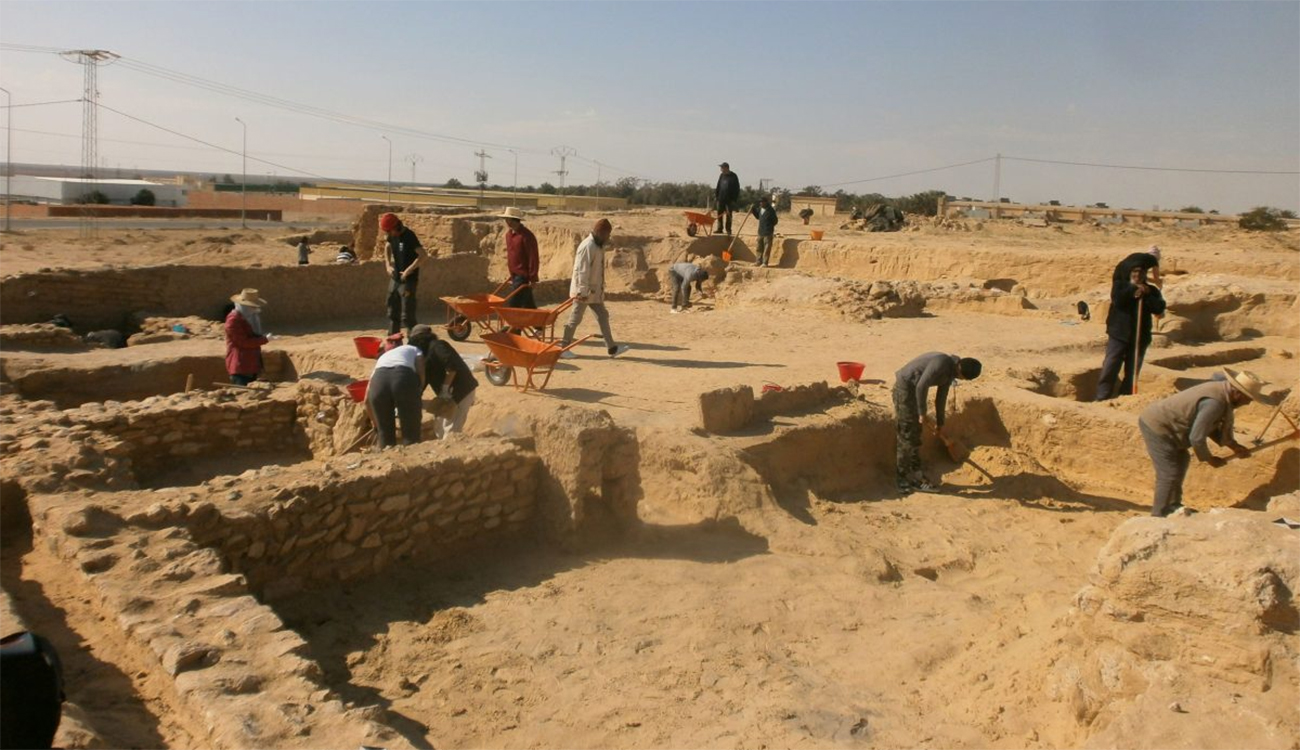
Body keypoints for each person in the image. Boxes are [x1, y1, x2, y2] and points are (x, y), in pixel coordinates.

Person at [1138, 368, 1266, 517]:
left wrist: (1234, 447)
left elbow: (1210, 426)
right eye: (1248, 398)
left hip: (1173, 427)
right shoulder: (1215, 403)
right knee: (1169, 473)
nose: (1248, 403)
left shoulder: (1222, 392)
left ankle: (1173, 505)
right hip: (1158, 426)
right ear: (1237, 392)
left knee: (1182, 460)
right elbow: (1197, 438)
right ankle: (1158, 515)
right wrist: (1209, 459)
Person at [893, 352, 983, 494]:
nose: (961, 379)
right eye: (963, 378)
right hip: (905, 387)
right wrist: (922, 412)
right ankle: (902, 478)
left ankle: (916, 472)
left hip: (915, 389)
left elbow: (941, 397)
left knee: (916, 433)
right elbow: (921, 386)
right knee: (908, 433)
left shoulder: (950, 372)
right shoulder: (942, 363)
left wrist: (940, 422)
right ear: (961, 372)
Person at [559, 218, 630, 359]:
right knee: (575, 318)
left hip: (594, 292)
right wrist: (582, 291)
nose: (607, 238)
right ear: (599, 232)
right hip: (583, 292)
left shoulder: (597, 246)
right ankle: (563, 347)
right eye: (606, 235)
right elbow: (581, 271)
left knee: (603, 316)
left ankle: (612, 348)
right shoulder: (588, 246)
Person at [1095, 263, 1166, 400]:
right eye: (1135, 272)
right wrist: (1133, 290)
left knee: (1133, 369)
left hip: (1140, 337)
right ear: (1129, 273)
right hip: (1119, 334)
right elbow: (1118, 300)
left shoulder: (1152, 290)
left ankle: (1126, 398)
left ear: (1146, 274)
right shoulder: (1120, 286)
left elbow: (1159, 308)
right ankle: (1102, 397)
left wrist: (1148, 295)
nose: (1138, 275)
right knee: (1110, 366)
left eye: (1141, 272)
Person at [365, 325, 433, 449]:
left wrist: (376, 424)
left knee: (384, 433)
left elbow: (366, 399)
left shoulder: (382, 359)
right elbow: (421, 370)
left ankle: (387, 459)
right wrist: (418, 389)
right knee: (410, 430)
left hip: (378, 383)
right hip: (404, 379)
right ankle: (413, 458)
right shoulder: (414, 349)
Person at [419, 324, 480, 439]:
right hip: (447, 397)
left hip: (462, 392)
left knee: (451, 431)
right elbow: (422, 383)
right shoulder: (425, 357)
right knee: (439, 427)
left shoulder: (438, 346)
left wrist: (445, 388)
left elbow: (452, 367)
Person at [380, 212, 428, 336]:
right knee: (392, 312)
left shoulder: (409, 236)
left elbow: (423, 255)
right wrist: (387, 265)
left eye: (389, 231)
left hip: (408, 281)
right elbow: (387, 246)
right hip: (395, 278)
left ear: (397, 227)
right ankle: (393, 341)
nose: (388, 235)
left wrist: (409, 270)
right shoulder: (392, 235)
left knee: (407, 317)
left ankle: (414, 344)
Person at [224, 288, 271, 386]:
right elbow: (243, 342)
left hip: (251, 364)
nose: (254, 310)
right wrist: (264, 339)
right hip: (241, 366)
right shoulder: (233, 321)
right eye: (251, 307)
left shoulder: (249, 318)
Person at [500, 207, 539, 309]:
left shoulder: (527, 236)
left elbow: (533, 257)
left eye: (507, 219)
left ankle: (512, 325)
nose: (506, 221)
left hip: (523, 276)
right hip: (514, 275)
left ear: (513, 220)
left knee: (513, 303)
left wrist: (533, 278)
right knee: (528, 305)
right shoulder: (509, 235)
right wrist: (512, 274)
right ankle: (538, 324)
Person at [751, 196, 779, 266]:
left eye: (762, 202)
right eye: (760, 202)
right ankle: (758, 261)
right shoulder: (760, 209)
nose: (761, 203)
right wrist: (753, 210)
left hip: (768, 232)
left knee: (767, 248)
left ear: (766, 202)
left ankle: (765, 263)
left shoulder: (770, 210)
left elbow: (775, 221)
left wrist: (769, 226)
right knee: (759, 248)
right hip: (760, 231)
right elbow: (757, 216)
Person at [715, 162, 740, 235]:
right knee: (719, 213)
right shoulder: (721, 176)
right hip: (721, 198)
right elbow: (718, 186)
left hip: (730, 199)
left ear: (726, 168)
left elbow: (737, 188)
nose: (721, 169)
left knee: (729, 215)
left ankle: (728, 229)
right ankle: (719, 228)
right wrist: (717, 196)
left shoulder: (733, 176)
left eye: (722, 168)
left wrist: (734, 199)